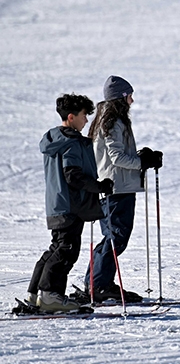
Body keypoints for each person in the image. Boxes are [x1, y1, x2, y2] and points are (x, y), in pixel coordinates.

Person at [23, 95, 112, 312]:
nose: (86, 121)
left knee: (57, 247)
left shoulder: (55, 139)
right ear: (71, 117)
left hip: (57, 204)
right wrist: (99, 186)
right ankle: (50, 295)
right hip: (71, 205)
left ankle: (36, 294)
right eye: (83, 116)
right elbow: (73, 175)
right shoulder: (71, 142)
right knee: (66, 250)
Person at [80, 76, 161, 304]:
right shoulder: (113, 120)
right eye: (128, 96)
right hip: (117, 188)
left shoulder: (106, 119)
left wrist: (141, 157)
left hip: (116, 186)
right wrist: (141, 163)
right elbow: (116, 157)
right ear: (119, 98)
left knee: (112, 237)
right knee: (116, 237)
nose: (132, 101)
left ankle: (96, 282)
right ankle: (100, 285)